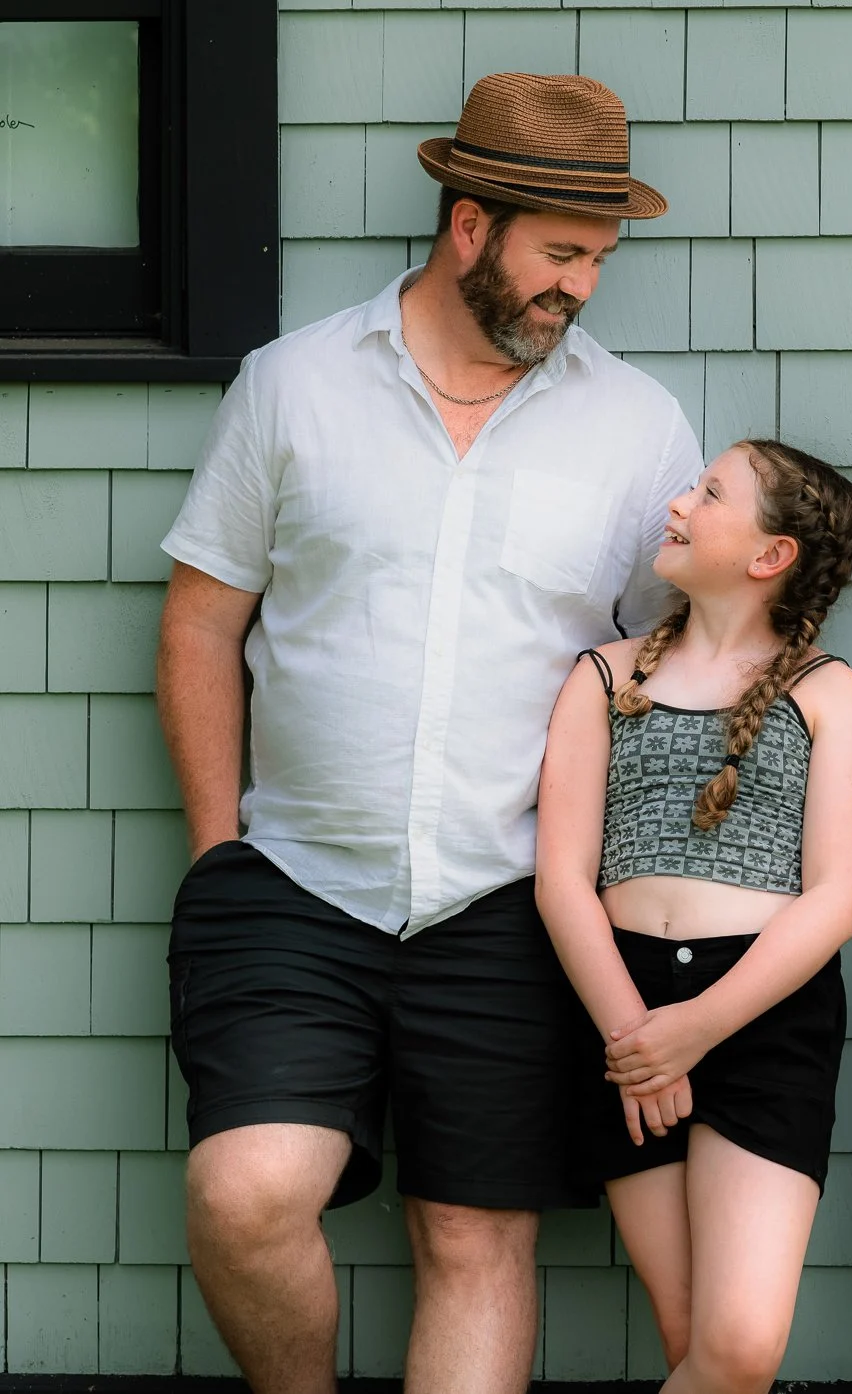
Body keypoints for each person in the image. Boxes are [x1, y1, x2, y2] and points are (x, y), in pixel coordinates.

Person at [155, 74, 700, 1394]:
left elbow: (685, 657)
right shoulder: (292, 388)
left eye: (599, 259)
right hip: (292, 881)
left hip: (518, 900)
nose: (582, 285)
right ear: (469, 227)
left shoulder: (635, 428)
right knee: (244, 1192)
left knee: (472, 1233)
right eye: (560, 253)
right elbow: (197, 628)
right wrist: (219, 846)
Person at [535, 440, 852, 1394]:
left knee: (736, 1349)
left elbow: (837, 899)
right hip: (625, 1010)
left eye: (710, 493)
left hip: (764, 1015)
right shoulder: (605, 680)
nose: (679, 502)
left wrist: (698, 1027)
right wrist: (635, 1034)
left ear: (769, 555)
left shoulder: (827, 693)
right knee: (693, 1338)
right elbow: (562, 880)